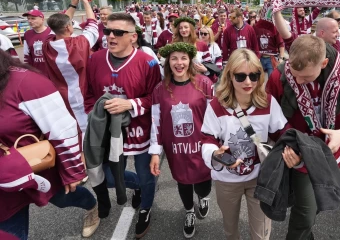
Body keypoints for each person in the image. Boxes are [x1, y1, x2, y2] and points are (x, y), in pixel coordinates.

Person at [266, 35, 340, 239]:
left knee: (317, 204)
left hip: (331, 152)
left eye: (306, 77)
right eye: (294, 74)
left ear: (324, 63)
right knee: (306, 212)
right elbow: (272, 116)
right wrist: (290, 147)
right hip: (300, 153)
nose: (297, 81)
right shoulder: (280, 76)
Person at [0, 51, 100, 239]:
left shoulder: (26, 82)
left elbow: (63, 127)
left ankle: (92, 206)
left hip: (36, 166)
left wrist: (73, 171)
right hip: (3, 185)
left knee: (63, 198)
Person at [85, 13, 161, 238]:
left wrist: (130, 104)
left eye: (118, 32)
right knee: (106, 176)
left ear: (133, 37)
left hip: (139, 132)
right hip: (108, 133)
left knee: (147, 176)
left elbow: (155, 98)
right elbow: (88, 94)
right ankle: (137, 185)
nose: (111, 36)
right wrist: (95, 116)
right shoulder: (95, 59)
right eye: (108, 31)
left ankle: (145, 207)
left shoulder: (147, 62)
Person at [201, 49, 288, 240]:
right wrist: (215, 153)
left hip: (260, 177)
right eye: (240, 76)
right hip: (227, 178)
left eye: (254, 75)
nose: (248, 82)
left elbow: (282, 132)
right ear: (230, 76)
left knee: (261, 233)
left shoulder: (268, 102)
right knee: (230, 229)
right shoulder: (217, 105)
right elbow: (207, 138)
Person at [149, 43, 214, 239]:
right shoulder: (160, 89)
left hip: (201, 146)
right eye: (174, 58)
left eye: (183, 58)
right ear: (168, 61)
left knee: (203, 181)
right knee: (183, 181)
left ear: (190, 60)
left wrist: (216, 144)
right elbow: (156, 122)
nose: (179, 63)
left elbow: (214, 116)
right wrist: (154, 152)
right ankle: (189, 211)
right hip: (175, 147)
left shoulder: (205, 83)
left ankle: (203, 198)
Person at [43, 0, 99, 136]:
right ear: (69, 27)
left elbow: (59, 25)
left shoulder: (47, 44)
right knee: (87, 134)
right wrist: (85, 2)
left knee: (72, 132)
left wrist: (73, 5)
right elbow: (93, 24)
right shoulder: (80, 43)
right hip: (83, 94)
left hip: (61, 96)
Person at [22, 9, 53, 74]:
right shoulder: (27, 34)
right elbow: (26, 55)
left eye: (33, 18)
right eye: (28, 19)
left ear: (42, 19)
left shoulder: (52, 32)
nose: (30, 21)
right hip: (37, 72)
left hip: (53, 73)